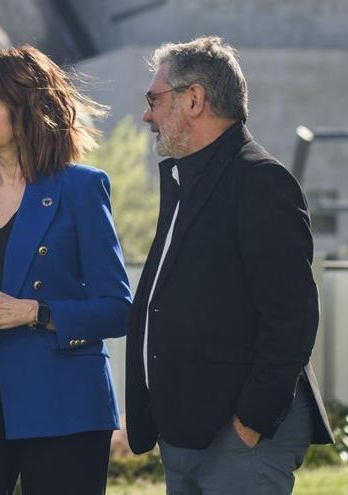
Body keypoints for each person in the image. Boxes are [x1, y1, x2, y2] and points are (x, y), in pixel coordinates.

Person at [125, 36, 334, 493]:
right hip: (187, 436)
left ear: (194, 99)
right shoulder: (187, 179)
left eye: (153, 100)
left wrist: (250, 423)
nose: (147, 115)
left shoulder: (260, 181)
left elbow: (292, 317)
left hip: (239, 442)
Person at [0, 45, 132, 495]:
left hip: (63, 410)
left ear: (31, 106)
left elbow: (118, 308)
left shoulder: (81, 188)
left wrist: (33, 312)